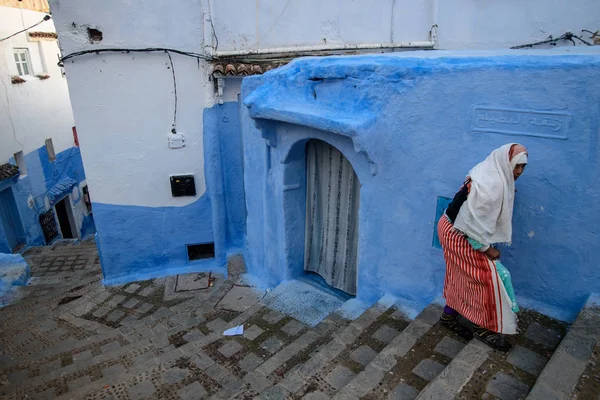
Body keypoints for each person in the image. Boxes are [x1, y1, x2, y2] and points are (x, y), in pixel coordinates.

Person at [437, 143, 528, 351]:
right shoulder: (492, 186)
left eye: (523, 167)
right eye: (516, 166)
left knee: (460, 275)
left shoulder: (489, 172)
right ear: (505, 163)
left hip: (451, 227)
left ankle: (448, 317)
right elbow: (470, 224)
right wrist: (487, 249)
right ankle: (483, 328)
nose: (519, 172)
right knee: (487, 279)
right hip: (460, 234)